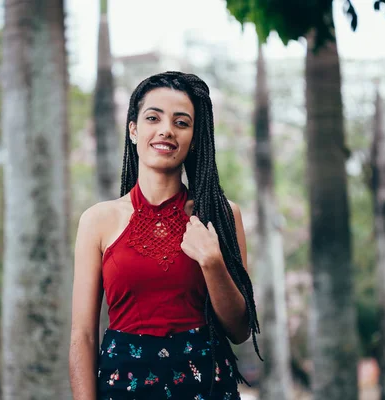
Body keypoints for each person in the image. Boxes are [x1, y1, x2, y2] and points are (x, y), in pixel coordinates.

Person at [69, 71, 262, 400]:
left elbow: (240, 330)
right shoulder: (97, 221)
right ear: (133, 130)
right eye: (153, 118)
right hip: (123, 387)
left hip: (205, 386)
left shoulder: (221, 215)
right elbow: (83, 336)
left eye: (181, 122)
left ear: (194, 136)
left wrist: (212, 262)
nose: (166, 131)